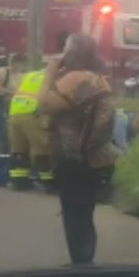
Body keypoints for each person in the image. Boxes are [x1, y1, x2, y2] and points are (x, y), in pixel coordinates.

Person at [38, 34, 118, 264]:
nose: (61, 55)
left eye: (65, 50)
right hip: (95, 157)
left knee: (75, 216)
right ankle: (84, 261)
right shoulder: (96, 78)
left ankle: (80, 266)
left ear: (73, 54)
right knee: (84, 214)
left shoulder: (75, 79)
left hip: (74, 159)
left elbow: (45, 104)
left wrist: (50, 73)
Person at [8, 64, 54, 191]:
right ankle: (49, 182)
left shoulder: (32, 74)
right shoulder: (53, 76)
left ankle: (18, 181)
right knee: (42, 149)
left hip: (15, 112)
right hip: (32, 113)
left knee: (19, 149)